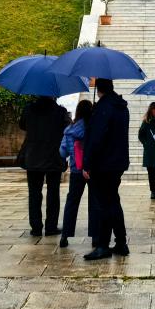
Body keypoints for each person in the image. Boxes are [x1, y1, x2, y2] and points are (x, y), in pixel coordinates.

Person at [82, 78, 130, 260]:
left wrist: (87, 163)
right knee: (113, 202)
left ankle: (103, 245)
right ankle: (121, 242)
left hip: (103, 164)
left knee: (102, 204)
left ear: (98, 88)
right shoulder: (121, 107)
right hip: (117, 162)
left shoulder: (103, 107)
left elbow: (96, 138)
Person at [18, 95, 70, 237]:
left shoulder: (29, 109)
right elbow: (68, 127)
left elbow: (22, 125)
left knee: (34, 193)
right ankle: (51, 227)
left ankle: (36, 227)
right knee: (53, 193)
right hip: (54, 157)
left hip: (33, 157)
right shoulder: (60, 112)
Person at [59, 100, 93, 248]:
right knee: (95, 202)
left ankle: (65, 235)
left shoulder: (69, 130)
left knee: (72, 202)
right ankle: (96, 236)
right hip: (92, 170)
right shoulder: (94, 128)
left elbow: (62, 152)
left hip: (76, 170)